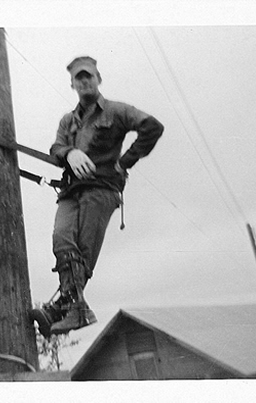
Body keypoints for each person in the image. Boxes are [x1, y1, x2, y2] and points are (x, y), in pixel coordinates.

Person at [31, 56, 164, 338]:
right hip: (70, 190)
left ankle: (63, 308)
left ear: (98, 79)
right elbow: (56, 146)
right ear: (73, 84)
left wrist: (125, 161)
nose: (85, 81)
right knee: (61, 239)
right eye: (79, 78)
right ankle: (73, 308)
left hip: (101, 189)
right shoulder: (68, 121)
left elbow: (152, 127)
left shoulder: (116, 111)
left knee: (83, 249)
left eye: (89, 76)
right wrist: (70, 152)